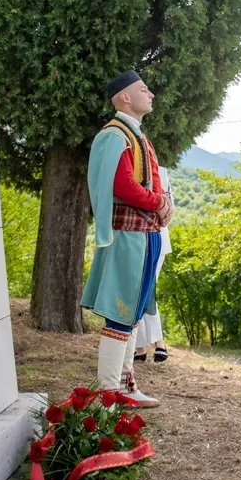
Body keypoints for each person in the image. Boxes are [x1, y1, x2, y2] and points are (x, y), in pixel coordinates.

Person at [80, 70, 174, 408]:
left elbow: (153, 183)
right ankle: (108, 392)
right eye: (143, 89)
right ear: (124, 97)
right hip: (126, 236)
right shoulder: (113, 135)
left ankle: (124, 385)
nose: (150, 93)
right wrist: (157, 203)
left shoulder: (139, 138)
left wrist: (162, 205)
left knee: (133, 313)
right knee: (120, 313)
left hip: (146, 235)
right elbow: (122, 187)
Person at [134, 166, 173, 364]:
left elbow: (168, 207)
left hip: (156, 237)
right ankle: (140, 346)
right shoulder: (132, 165)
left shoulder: (160, 171)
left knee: (148, 291)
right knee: (137, 291)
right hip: (134, 237)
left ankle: (158, 341)